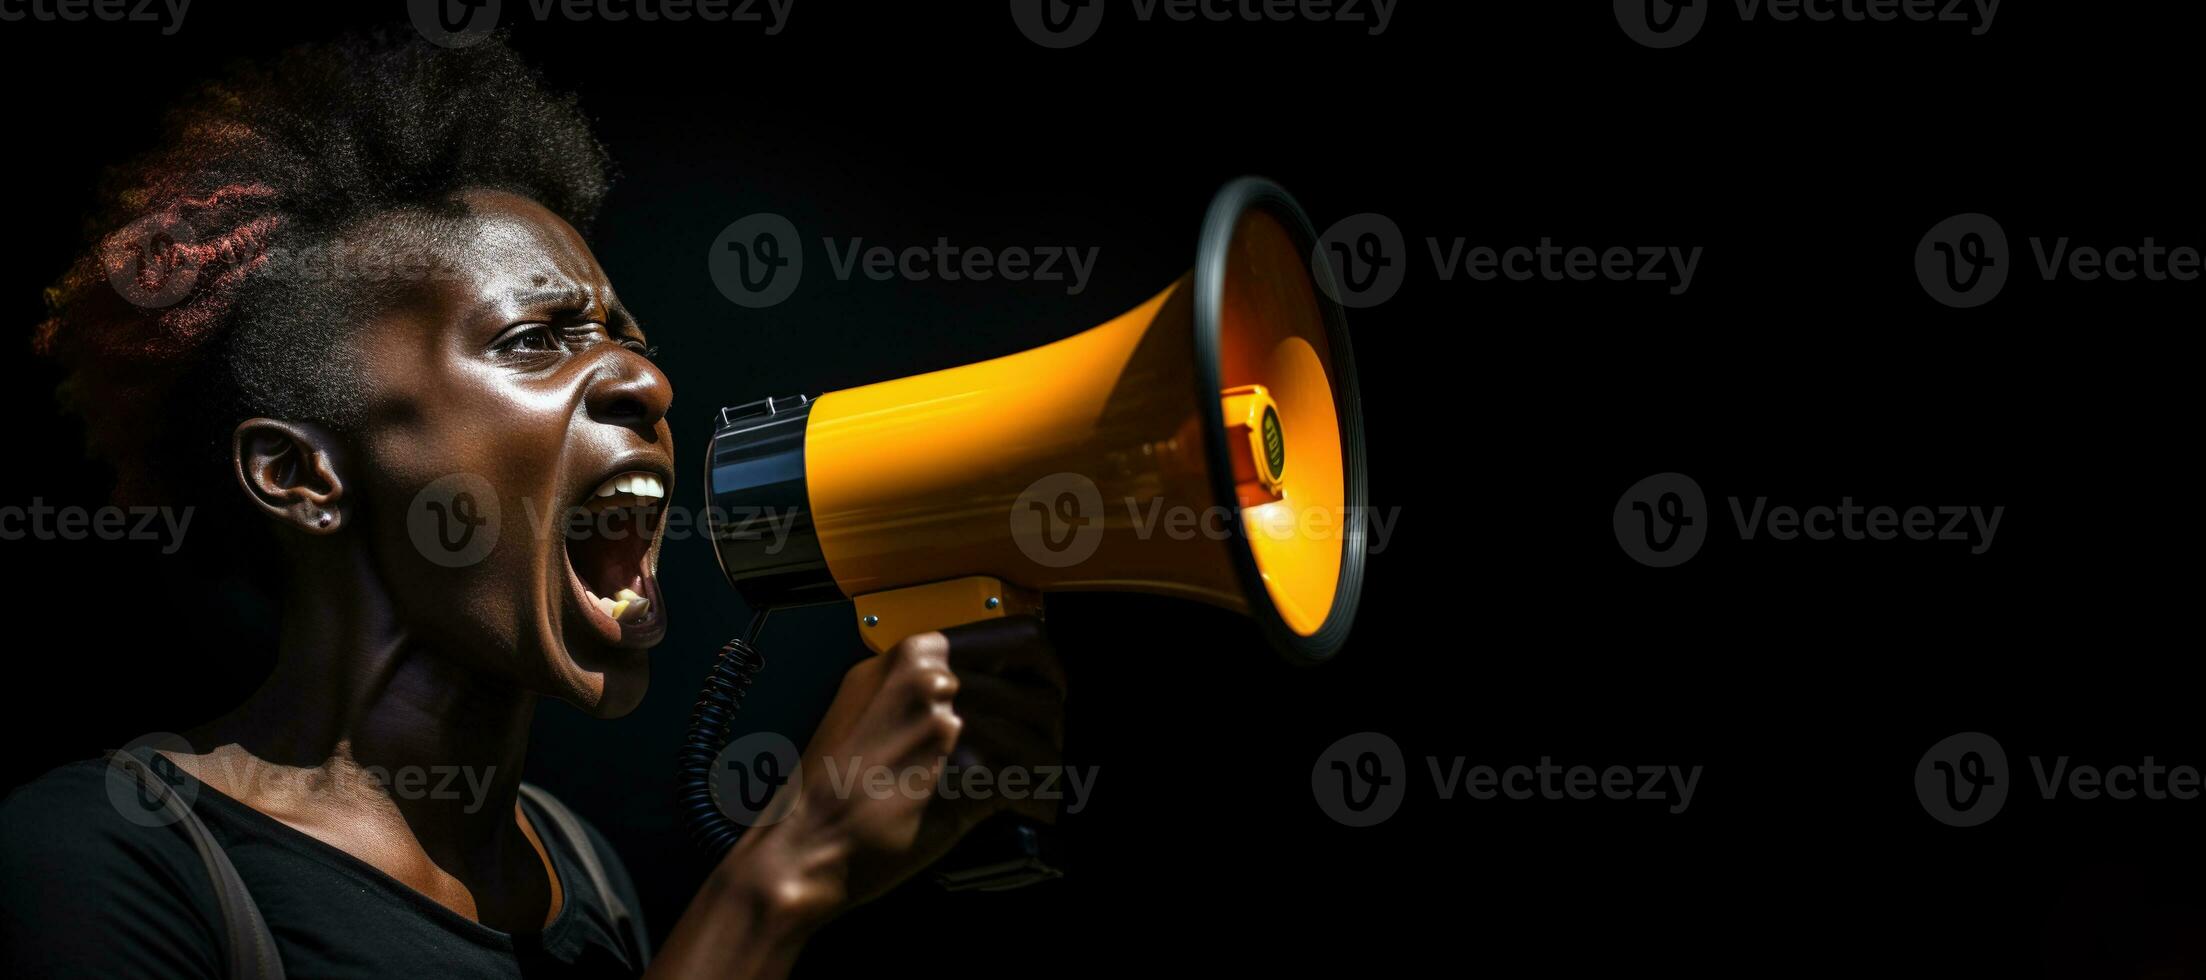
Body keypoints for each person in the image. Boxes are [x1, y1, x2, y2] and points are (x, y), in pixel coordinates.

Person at [1, 30, 1065, 979]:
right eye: (534, 339)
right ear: (303, 475)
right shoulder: (109, 855)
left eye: (626, 336)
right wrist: (784, 873)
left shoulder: (576, 869)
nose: (645, 382)